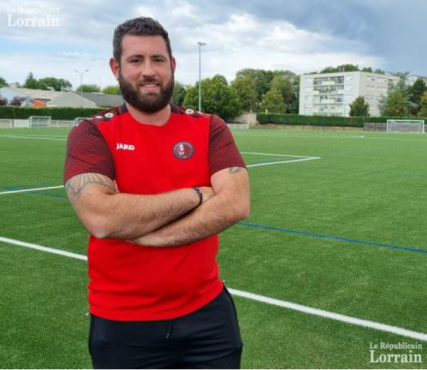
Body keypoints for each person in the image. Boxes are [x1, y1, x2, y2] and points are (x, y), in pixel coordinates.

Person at [64, 16, 250, 369]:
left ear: (172, 65)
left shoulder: (209, 127)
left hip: (208, 316)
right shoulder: (91, 134)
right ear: (116, 67)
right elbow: (101, 218)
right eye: (136, 60)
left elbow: (236, 203)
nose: (148, 71)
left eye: (157, 59)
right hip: (123, 323)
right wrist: (196, 194)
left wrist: (151, 235)